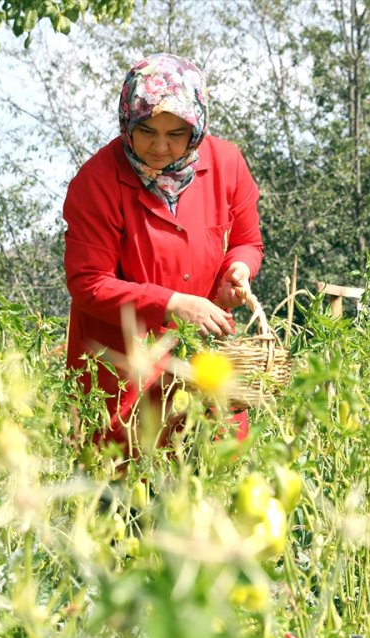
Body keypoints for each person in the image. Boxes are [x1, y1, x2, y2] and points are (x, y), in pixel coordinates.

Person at [63, 53, 263, 457]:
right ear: (127, 122)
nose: (160, 146)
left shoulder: (226, 164)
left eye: (175, 134)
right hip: (123, 372)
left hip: (204, 359)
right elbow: (89, 283)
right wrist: (172, 303)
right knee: (125, 499)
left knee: (217, 479)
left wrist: (237, 270)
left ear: (197, 127)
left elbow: (247, 240)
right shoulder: (97, 182)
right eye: (147, 131)